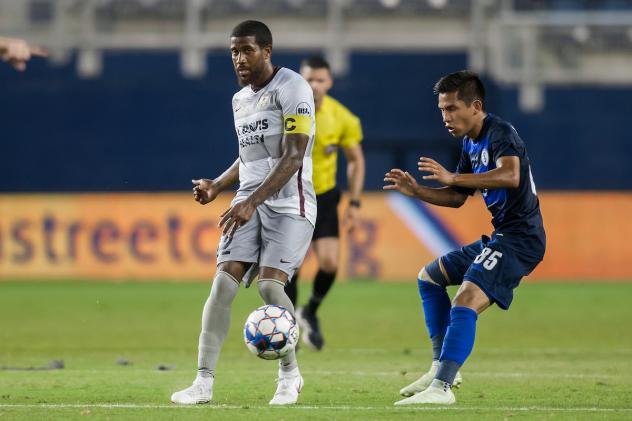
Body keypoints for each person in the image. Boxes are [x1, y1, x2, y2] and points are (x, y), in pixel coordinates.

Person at [170, 20, 316, 406]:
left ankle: (289, 376)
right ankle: (203, 382)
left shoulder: (294, 88)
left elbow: (293, 156)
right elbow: (249, 156)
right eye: (234, 51)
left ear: (267, 50)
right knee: (222, 285)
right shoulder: (240, 100)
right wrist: (219, 185)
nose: (239, 58)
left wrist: (252, 201)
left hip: (289, 202)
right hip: (245, 203)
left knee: (270, 286)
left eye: (247, 50)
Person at [384, 70, 546, 405]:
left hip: (521, 238)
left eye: (452, 108)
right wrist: (417, 191)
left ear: (476, 106)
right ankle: (442, 368)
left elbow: (511, 175)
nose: (446, 117)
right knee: (429, 277)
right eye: (442, 110)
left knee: (465, 299)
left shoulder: (500, 132)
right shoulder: (470, 142)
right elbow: (457, 197)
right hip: (503, 235)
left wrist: (454, 175)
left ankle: (441, 389)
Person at [284, 56, 365, 351]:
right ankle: (288, 325)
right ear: (300, 81)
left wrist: (354, 204)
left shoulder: (343, 118)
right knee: (290, 266)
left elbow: (356, 160)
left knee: (330, 263)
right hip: (291, 194)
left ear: (329, 82)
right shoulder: (286, 110)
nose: (315, 85)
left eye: (320, 80)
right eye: (309, 79)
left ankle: (310, 310)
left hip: (326, 196)